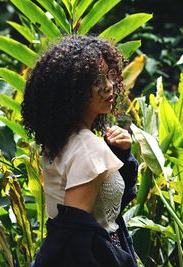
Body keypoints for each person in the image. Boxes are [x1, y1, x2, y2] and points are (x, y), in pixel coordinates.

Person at [22, 35, 139, 267]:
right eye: (96, 80)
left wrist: (121, 155)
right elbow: (77, 235)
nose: (109, 86)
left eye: (108, 76)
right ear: (72, 90)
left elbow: (104, 207)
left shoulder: (62, 140)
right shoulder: (88, 148)